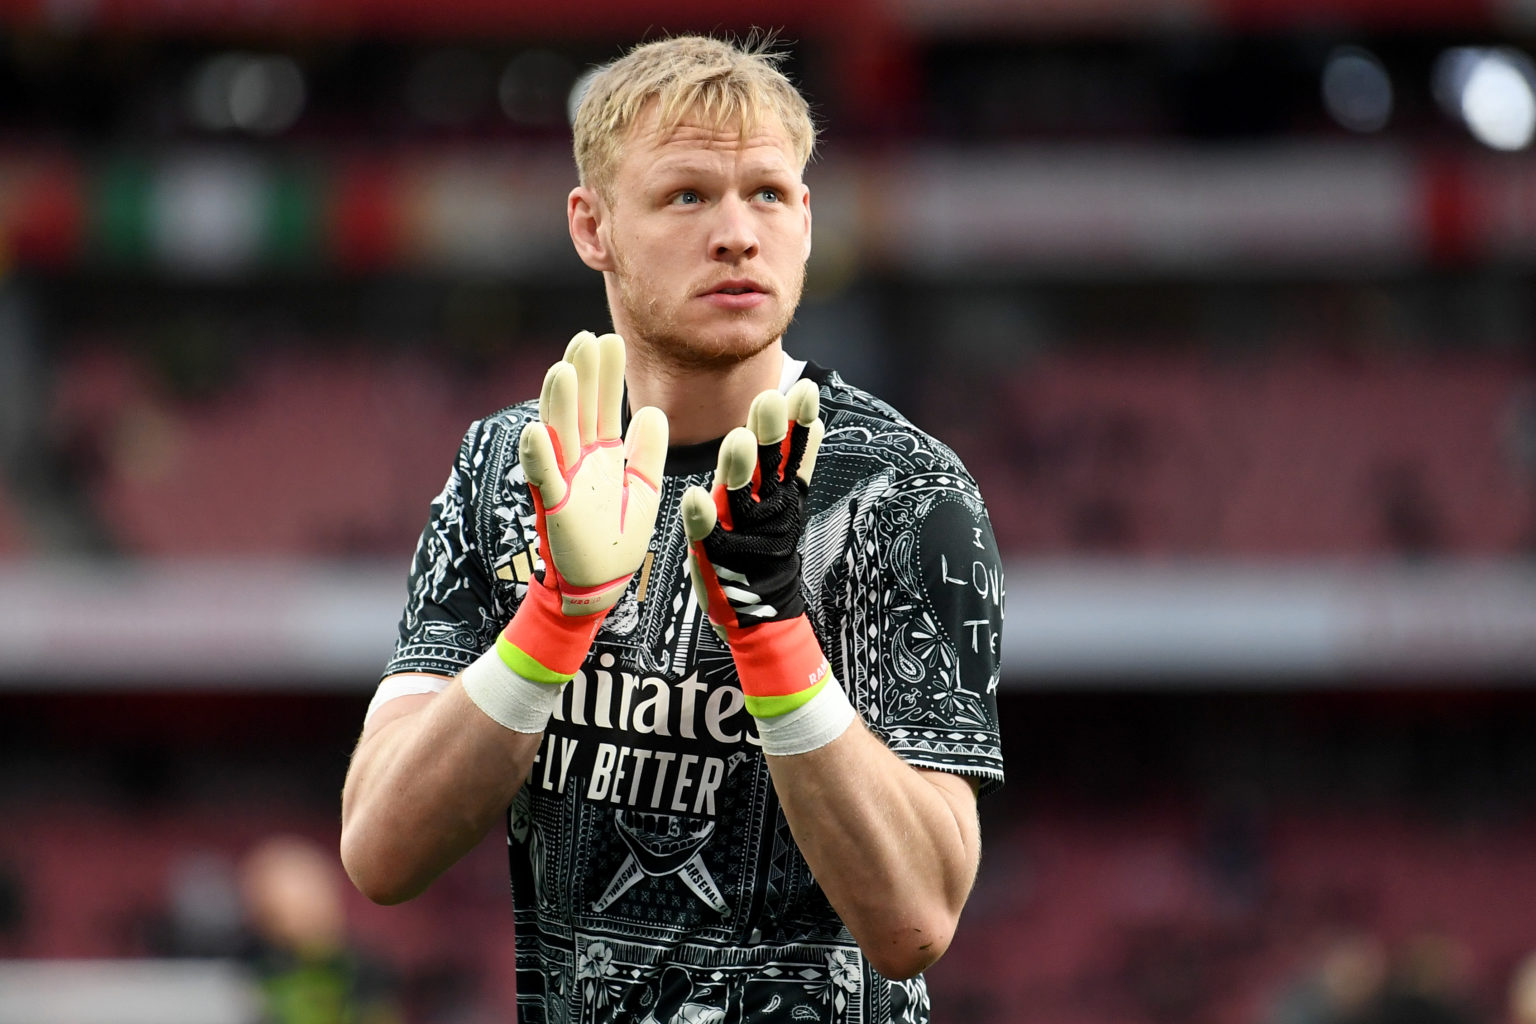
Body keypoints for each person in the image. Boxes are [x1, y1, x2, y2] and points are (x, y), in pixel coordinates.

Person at [340, 33, 1005, 1024]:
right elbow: (381, 852)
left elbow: (914, 922)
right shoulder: (507, 468)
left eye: (769, 195)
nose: (738, 232)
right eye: (687, 195)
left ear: (809, 221)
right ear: (592, 224)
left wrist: (772, 630)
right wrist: (555, 618)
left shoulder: (906, 491)